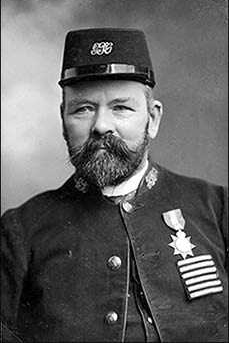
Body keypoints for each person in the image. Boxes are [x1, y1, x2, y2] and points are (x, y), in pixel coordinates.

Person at [1, 28, 228, 343]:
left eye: (121, 107)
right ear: (62, 118)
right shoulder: (20, 232)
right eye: (83, 108)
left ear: (153, 117)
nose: (101, 125)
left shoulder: (217, 209)